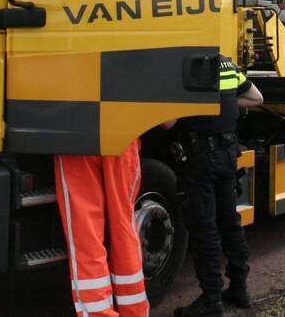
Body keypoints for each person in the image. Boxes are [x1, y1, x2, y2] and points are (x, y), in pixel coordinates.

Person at [166, 56, 263, 317]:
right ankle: (239, 290)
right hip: (227, 153)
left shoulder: (183, 66)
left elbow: (168, 122)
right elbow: (256, 98)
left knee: (204, 227)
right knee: (230, 222)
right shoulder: (226, 64)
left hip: (200, 157)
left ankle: (211, 299)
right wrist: (224, 104)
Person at [55, 138, 149, 317]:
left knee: (85, 234)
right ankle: (134, 311)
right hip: (123, 136)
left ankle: (99, 313)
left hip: (75, 136)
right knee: (123, 228)